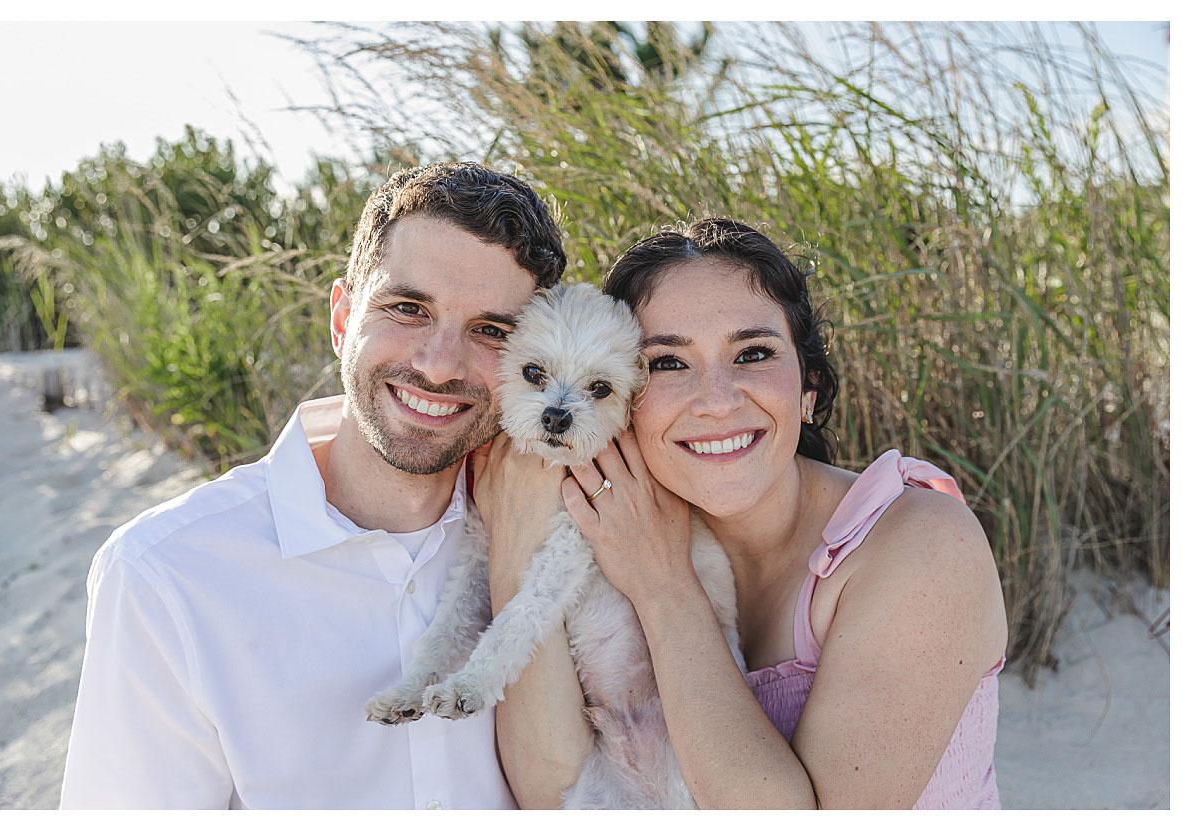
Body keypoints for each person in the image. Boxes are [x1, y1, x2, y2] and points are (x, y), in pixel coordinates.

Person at [59, 161, 567, 808]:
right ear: (340, 319)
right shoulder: (168, 576)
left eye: (490, 331)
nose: (439, 365)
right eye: (407, 308)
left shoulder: (558, 530)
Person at [478, 218, 1009, 809]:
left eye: (752, 353)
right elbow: (556, 795)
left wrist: (663, 585)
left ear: (808, 388)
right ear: (621, 397)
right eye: (668, 364)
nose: (717, 400)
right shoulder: (615, 528)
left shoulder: (921, 543)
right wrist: (513, 551)